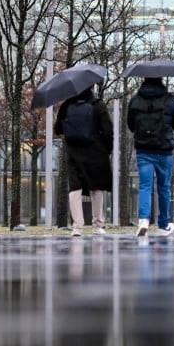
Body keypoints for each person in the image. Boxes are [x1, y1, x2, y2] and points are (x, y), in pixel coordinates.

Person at [126, 76, 174, 237]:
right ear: (161, 80)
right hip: (164, 151)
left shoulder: (135, 100)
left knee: (145, 186)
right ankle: (163, 224)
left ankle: (143, 220)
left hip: (144, 150)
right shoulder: (170, 100)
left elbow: (131, 125)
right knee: (163, 188)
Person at [56, 85, 114, 236]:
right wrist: (107, 149)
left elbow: (58, 129)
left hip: (73, 152)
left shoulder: (67, 105)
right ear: (92, 87)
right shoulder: (98, 105)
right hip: (95, 151)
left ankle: (77, 227)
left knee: (75, 189)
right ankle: (97, 225)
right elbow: (108, 130)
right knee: (97, 188)